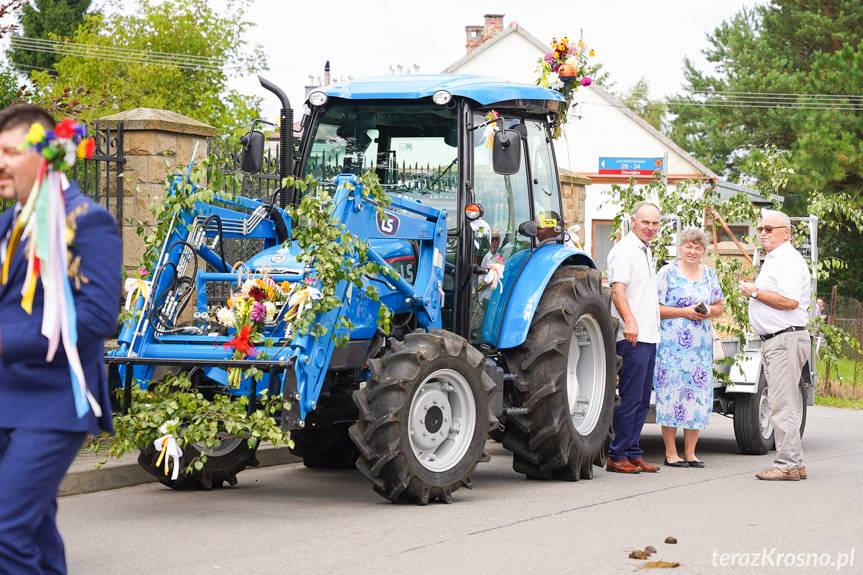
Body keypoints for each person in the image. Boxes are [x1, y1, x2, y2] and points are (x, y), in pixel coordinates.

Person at [0, 104, 122, 573]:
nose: (1, 163)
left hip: (53, 403)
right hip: (7, 397)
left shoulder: (87, 220)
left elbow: (97, 316)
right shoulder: (9, 222)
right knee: (32, 528)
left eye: (11, 152)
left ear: (46, 153)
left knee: (6, 530)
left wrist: (6, 341)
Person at [739, 209, 811, 481]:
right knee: (784, 402)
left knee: (782, 404)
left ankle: (787, 464)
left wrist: (755, 291)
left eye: (769, 229)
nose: (763, 233)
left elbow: (790, 301)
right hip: (780, 338)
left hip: (784, 338)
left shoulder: (786, 259)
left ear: (786, 233)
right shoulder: (776, 259)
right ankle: (794, 462)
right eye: (760, 228)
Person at [654, 228, 724, 468]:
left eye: (698, 247)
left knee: (696, 396)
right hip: (672, 346)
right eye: (689, 246)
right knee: (671, 394)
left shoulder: (709, 274)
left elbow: (719, 306)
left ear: (704, 250)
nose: (693, 251)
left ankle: (691, 453)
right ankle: (671, 453)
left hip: (699, 347)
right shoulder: (667, 272)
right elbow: (655, 308)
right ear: (680, 248)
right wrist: (684, 312)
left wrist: (707, 310)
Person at [605, 202, 662, 474]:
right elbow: (618, 291)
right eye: (645, 222)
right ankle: (617, 455)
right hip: (632, 336)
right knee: (629, 398)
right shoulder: (625, 250)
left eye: (655, 223)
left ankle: (633, 451)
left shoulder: (645, 250)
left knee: (641, 399)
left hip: (649, 336)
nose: (650, 227)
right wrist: (629, 321)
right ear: (633, 221)